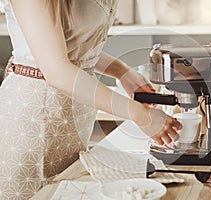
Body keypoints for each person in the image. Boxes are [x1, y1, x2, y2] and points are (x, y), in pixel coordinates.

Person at [0, 0, 180, 199]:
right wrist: (141, 115)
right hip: (32, 124)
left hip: (71, 122)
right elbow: (56, 70)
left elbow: (73, 44)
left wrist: (122, 72)